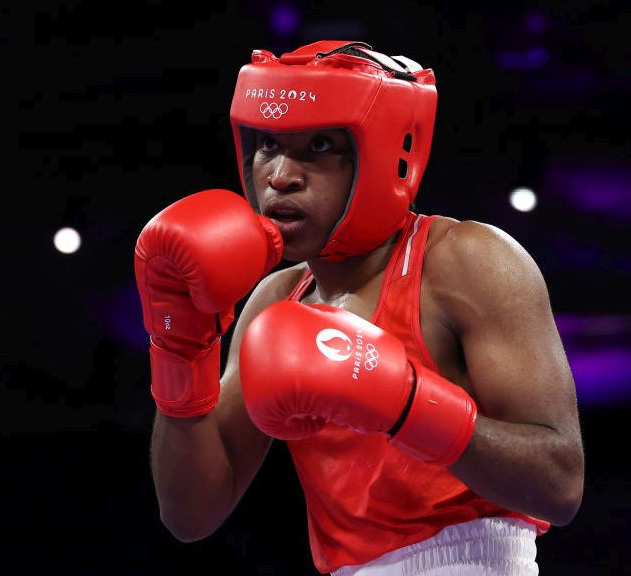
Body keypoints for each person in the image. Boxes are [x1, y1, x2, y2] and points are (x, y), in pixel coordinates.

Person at [134, 40, 585, 575]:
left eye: (321, 145)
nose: (280, 175)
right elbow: (190, 515)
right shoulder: (274, 301)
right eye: (267, 146)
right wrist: (179, 347)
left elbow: (560, 485)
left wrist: (405, 403)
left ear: (386, 155)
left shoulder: (467, 261)